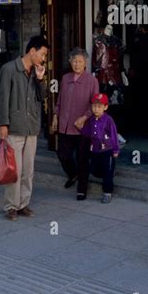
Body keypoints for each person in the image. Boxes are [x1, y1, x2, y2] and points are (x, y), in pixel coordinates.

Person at [0, 35, 49, 221]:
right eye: (42, 54)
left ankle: (23, 204)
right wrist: (3, 123)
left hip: (31, 127)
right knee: (14, 170)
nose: (43, 58)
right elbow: (2, 98)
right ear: (32, 51)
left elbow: (42, 98)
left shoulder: (36, 72)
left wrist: (41, 79)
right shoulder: (9, 69)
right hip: (15, 128)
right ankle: (11, 206)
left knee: (28, 170)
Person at [51, 47, 99, 190]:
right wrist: (55, 116)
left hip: (82, 127)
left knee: (82, 159)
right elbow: (59, 100)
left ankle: (82, 189)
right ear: (70, 62)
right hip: (65, 125)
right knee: (62, 155)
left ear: (85, 63)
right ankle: (73, 174)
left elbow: (95, 103)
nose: (77, 64)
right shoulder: (65, 79)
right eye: (74, 61)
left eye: (80, 61)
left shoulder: (92, 81)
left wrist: (84, 117)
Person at [78, 93, 119, 203]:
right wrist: (79, 128)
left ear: (105, 107)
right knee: (94, 170)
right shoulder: (91, 120)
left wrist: (115, 149)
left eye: (99, 107)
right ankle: (109, 172)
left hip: (107, 150)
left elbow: (113, 134)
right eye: (94, 106)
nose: (96, 109)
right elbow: (86, 132)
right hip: (94, 150)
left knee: (107, 172)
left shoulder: (108, 120)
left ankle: (107, 192)